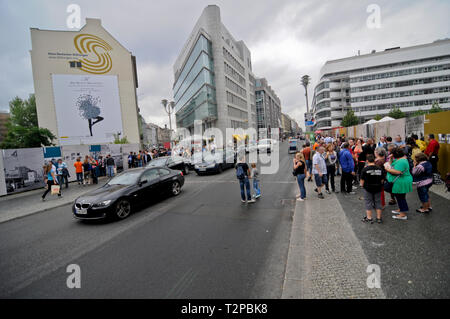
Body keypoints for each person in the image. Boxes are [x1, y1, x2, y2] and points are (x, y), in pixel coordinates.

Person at [384, 148, 413, 220]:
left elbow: (397, 172)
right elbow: (391, 164)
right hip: (400, 181)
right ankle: (401, 209)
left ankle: (403, 214)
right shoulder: (400, 159)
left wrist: (387, 169)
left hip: (401, 181)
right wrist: (390, 159)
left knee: (400, 197)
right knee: (400, 196)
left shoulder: (402, 161)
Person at [360, 154, 384, 224]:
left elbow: (362, 181)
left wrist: (362, 186)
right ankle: (379, 218)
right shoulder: (379, 169)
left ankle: (369, 217)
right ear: (374, 160)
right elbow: (382, 180)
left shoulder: (365, 169)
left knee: (368, 202)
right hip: (378, 188)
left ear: (367, 161)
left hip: (368, 188)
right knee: (378, 202)